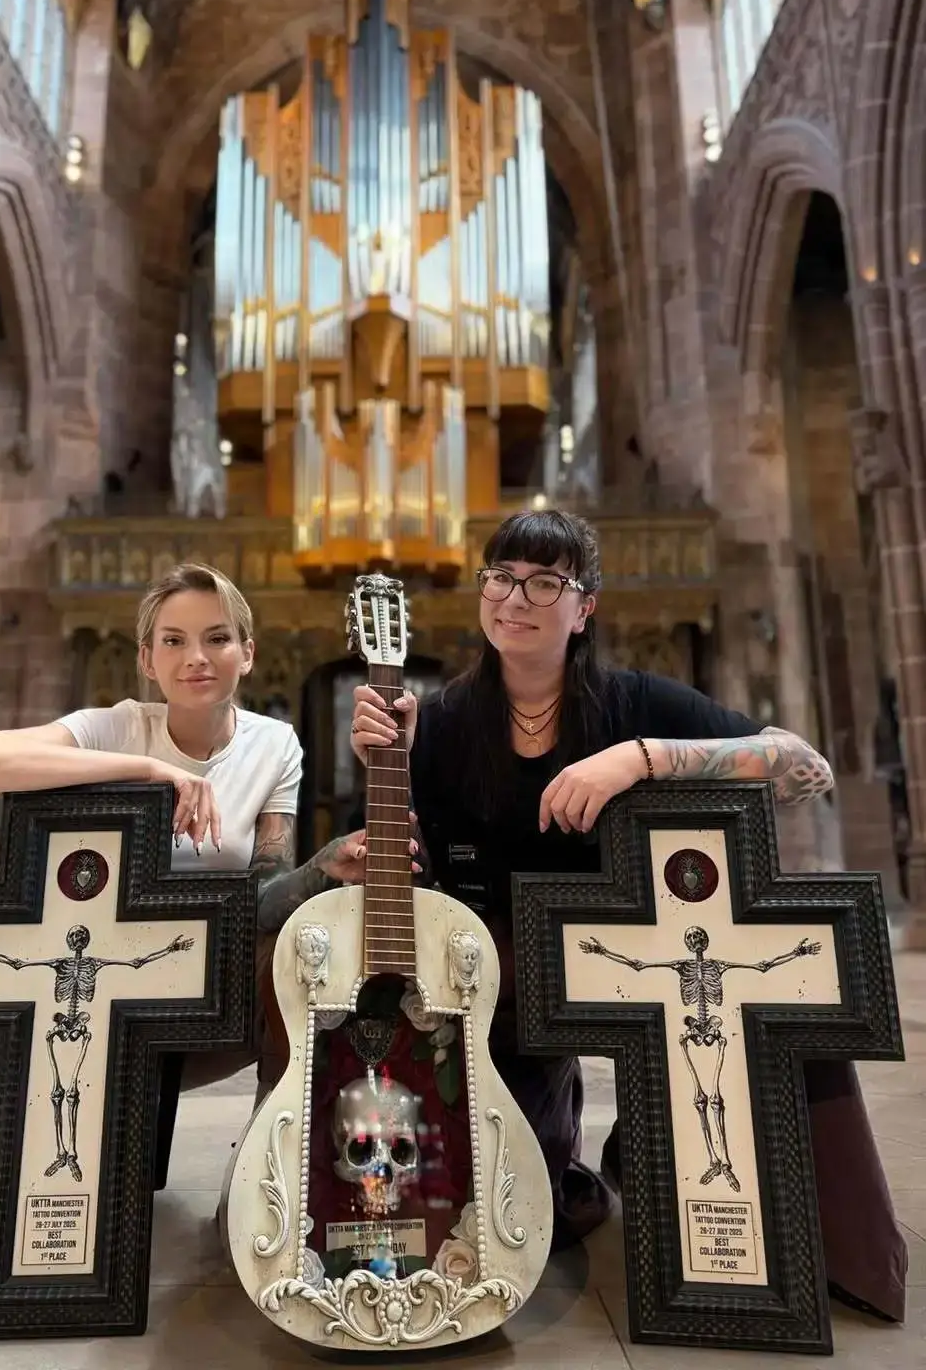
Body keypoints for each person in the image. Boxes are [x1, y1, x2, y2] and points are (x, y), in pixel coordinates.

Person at [349, 508, 907, 1324]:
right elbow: (424, 875)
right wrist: (384, 771)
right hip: (510, 975)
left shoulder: (633, 702)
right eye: (501, 577)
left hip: (648, 958)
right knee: (520, 1209)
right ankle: (606, 1153)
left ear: (586, 608)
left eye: (547, 582)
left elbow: (804, 767)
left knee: (784, 1009)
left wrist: (640, 757)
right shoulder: (437, 721)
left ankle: (833, 1254)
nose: (516, 598)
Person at [0, 561, 415, 1175]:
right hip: (69, 990)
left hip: (192, 988)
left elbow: (266, 896)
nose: (197, 657)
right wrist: (143, 772)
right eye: (173, 640)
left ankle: (272, 1179)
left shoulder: (274, 745)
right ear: (146, 658)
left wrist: (325, 866)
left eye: (217, 638)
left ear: (247, 653)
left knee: (299, 956)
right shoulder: (114, 727)